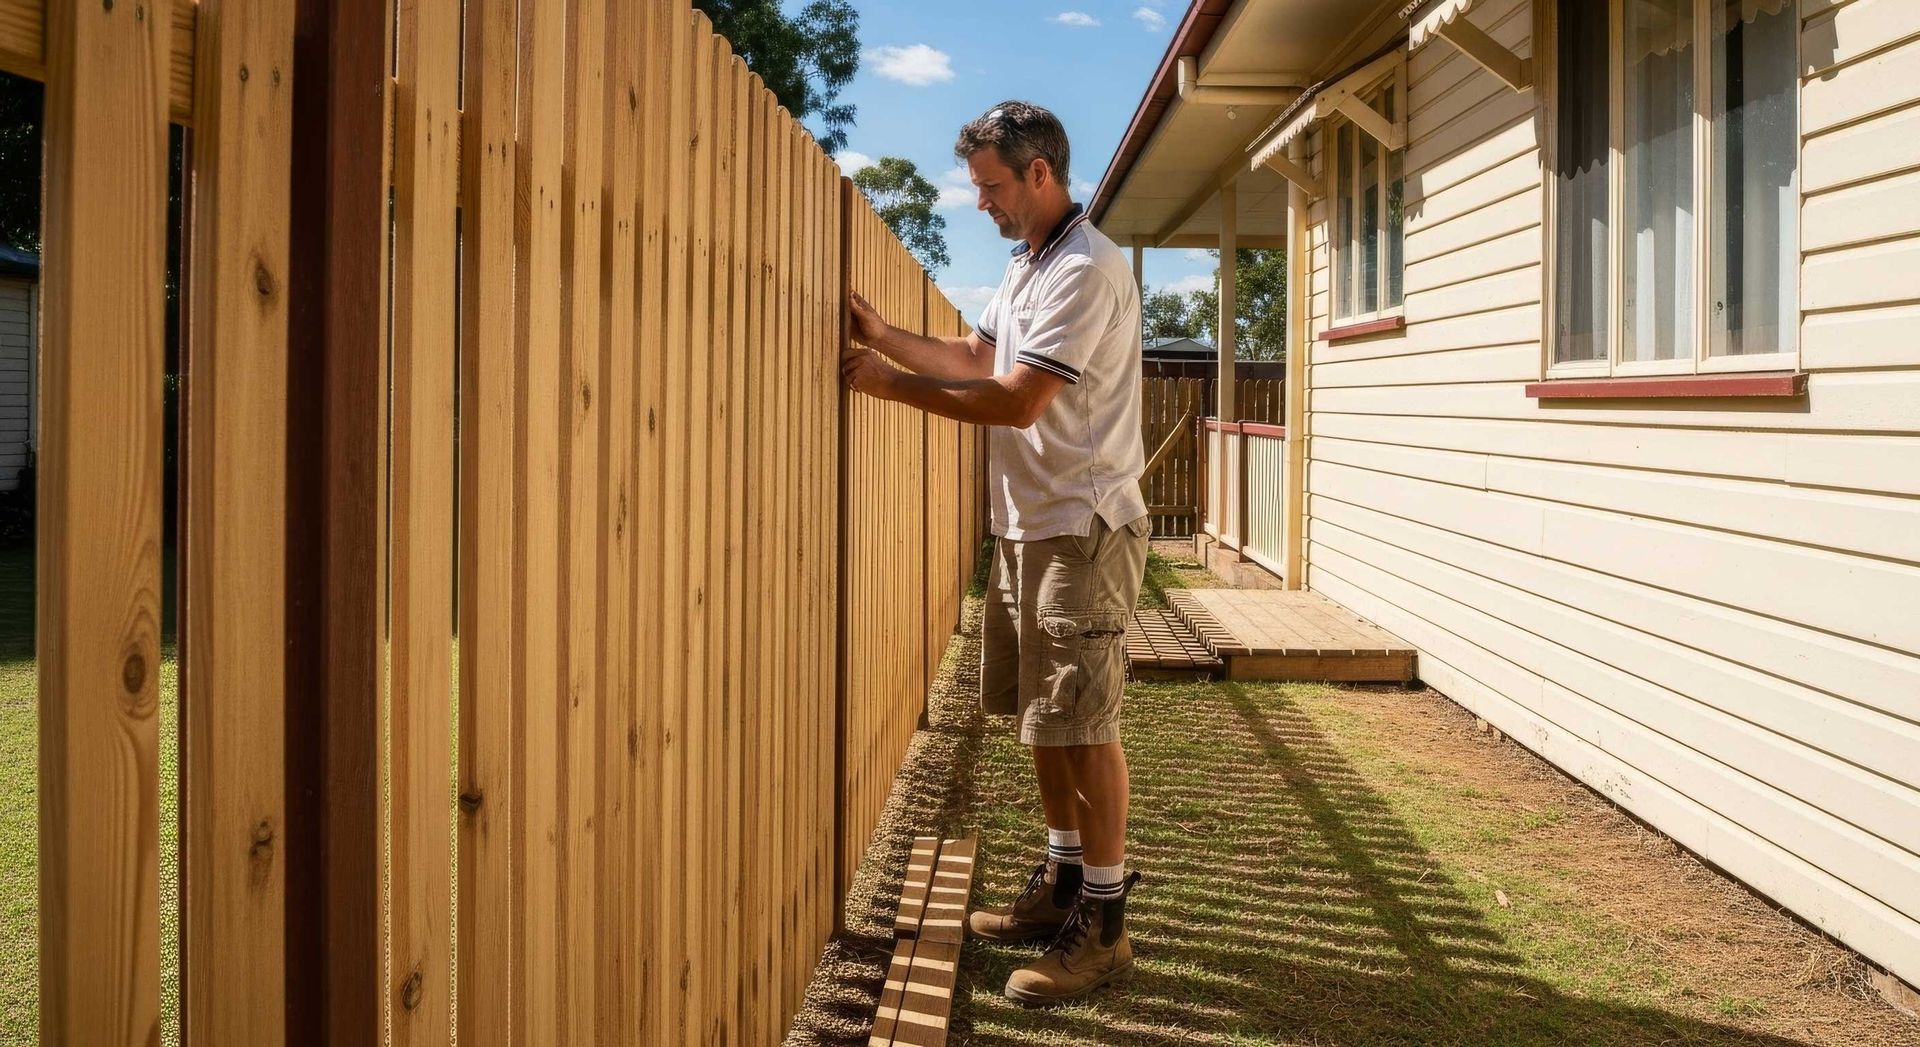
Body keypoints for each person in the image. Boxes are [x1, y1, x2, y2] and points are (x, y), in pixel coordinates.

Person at [842, 99, 1148, 1006]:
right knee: (1043, 720)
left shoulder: (1085, 269)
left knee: (1084, 724)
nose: (981, 202)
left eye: (990, 186)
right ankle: (1063, 880)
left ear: (1040, 173)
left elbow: (1016, 400)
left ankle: (1105, 927)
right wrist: (884, 337)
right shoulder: (1027, 265)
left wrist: (889, 386)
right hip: (1027, 524)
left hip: (1081, 527)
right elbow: (977, 356)